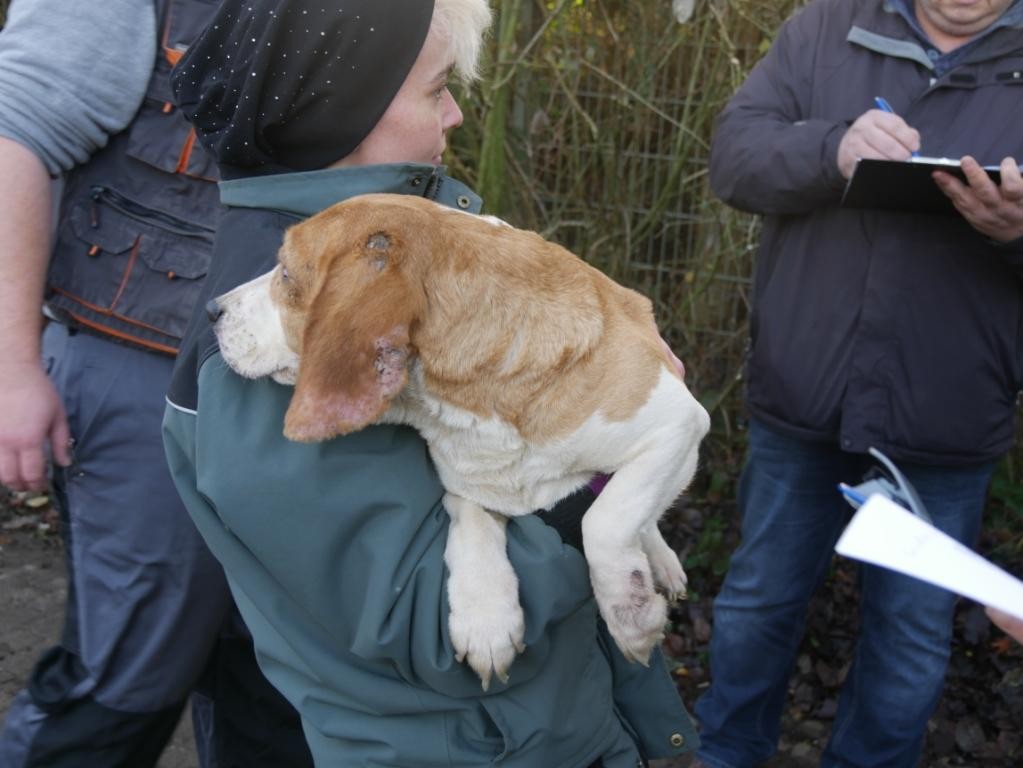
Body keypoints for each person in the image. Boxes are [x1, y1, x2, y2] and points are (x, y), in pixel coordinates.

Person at [162, 0, 701, 765]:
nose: (453, 114)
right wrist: (602, 458)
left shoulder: (414, 252)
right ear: (336, 112)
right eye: (435, 88)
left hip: (544, 725)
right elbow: (422, 621)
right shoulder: (280, 344)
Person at [691, 1, 1023, 767]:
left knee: (907, 642)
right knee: (754, 609)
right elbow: (734, 157)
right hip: (802, 396)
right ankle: (724, 755)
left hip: (945, 413)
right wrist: (831, 150)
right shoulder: (821, 29)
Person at [0, 1, 311, 766]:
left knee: (279, 684)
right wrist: (11, 368)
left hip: (287, 386)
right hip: (137, 366)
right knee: (124, 686)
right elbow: (18, 137)